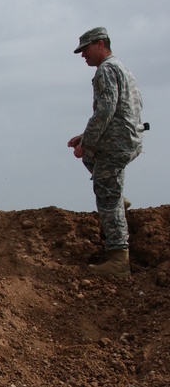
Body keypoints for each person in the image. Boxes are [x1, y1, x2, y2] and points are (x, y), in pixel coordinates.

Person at [67, 27, 145, 278]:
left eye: (86, 49)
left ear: (100, 44)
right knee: (96, 166)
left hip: (116, 143)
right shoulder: (122, 69)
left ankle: (118, 259)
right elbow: (124, 109)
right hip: (129, 138)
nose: (83, 55)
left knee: (106, 196)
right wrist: (86, 137)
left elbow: (105, 110)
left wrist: (86, 143)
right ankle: (117, 197)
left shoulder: (106, 70)